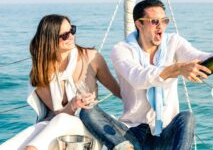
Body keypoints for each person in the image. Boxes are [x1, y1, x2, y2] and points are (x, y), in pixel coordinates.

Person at [80, 0, 213, 149]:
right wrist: (176, 69)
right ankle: (124, 148)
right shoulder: (121, 50)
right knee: (87, 111)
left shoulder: (174, 42)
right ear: (139, 24)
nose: (161, 26)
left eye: (164, 21)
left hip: (165, 133)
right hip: (132, 132)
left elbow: (200, 59)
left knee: (186, 117)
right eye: (154, 21)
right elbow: (138, 77)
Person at [0, 14, 122, 150]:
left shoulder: (91, 58)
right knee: (25, 136)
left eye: (72, 30)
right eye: (64, 35)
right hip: (55, 125)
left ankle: (32, 148)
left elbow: (119, 91)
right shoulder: (41, 72)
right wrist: (73, 105)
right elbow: (57, 113)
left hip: (89, 125)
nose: (71, 36)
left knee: (60, 121)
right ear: (50, 40)